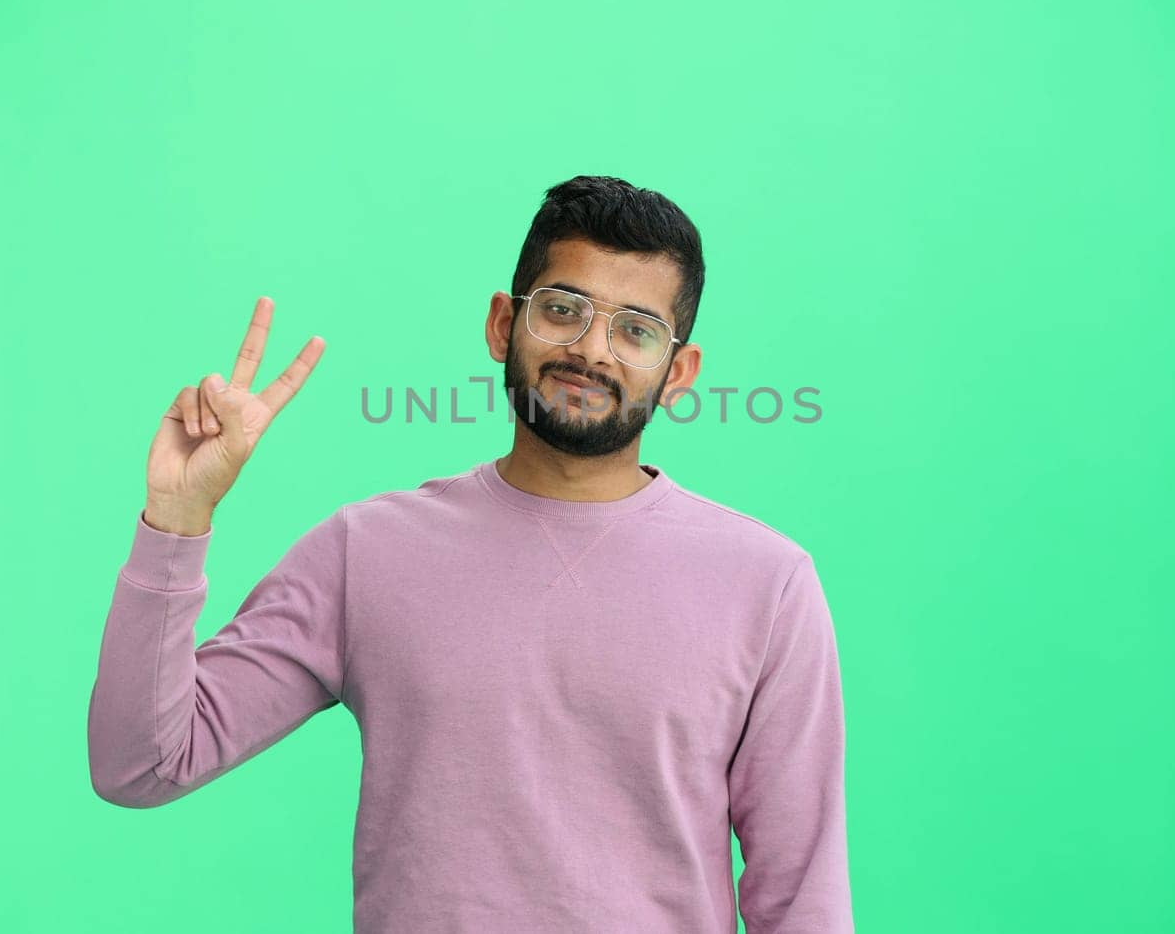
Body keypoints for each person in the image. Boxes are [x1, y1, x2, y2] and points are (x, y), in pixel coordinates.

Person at [87, 175, 856, 932]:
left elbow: (803, 901)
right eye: (563, 309)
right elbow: (141, 763)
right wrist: (178, 518)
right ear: (501, 323)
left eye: (636, 329)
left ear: (679, 372)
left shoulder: (767, 583)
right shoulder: (368, 553)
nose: (592, 350)